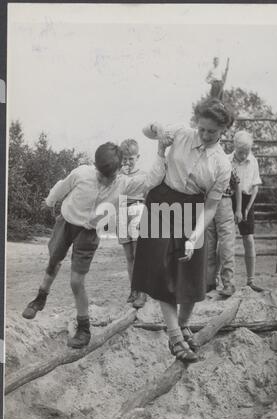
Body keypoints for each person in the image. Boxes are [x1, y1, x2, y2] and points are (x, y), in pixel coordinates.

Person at [22, 142, 166, 348]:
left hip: (89, 232)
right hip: (67, 222)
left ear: (119, 170)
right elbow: (62, 186)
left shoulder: (124, 183)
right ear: (95, 166)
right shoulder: (82, 173)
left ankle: (84, 328)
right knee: (53, 261)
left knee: (76, 281)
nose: (106, 181)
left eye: (111, 176)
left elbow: (152, 180)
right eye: (101, 175)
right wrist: (49, 201)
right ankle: (40, 298)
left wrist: (161, 153)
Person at [132, 98, 233, 363]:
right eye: (202, 128)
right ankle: (175, 336)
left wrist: (196, 235)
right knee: (162, 271)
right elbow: (147, 131)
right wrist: (156, 128)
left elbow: (211, 207)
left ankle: (184, 323)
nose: (205, 135)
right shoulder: (181, 133)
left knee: (192, 274)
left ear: (223, 130)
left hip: (193, 211)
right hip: (161, 201)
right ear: (196, 123)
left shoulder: (222, 164)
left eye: (212, 131)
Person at [229, 130, 263, 292]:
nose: (243, 156)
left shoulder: (253, 161)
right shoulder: (228, 161)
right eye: (240, 152)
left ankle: (250, 280)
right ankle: (220, 280)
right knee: (226, 241)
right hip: (230, 200)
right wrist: (235, 208)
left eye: (246, 152)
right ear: (234, 147)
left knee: (248, 239)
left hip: (247, 201)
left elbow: (255, 186)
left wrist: (246, 209)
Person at [118, 138, 147, 308]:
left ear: (138, 157)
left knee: (139, 255)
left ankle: (142, 292)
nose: (128, 162)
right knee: (129, 256)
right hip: (121, 211)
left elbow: (149, 195)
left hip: (138, 209)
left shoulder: (143, 175)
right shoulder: (118, 175)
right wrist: (120, 175)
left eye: (131, 158)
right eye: (124, 158)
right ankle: (133, 289)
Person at [207, 166, 242, 296]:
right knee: (208, 245)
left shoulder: (226, 162)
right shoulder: (200, 161)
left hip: (224, 201)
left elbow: (237, 185)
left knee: (226, 244)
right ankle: (209, 282)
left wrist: (238, 209)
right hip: (207, 203)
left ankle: (228, 283)